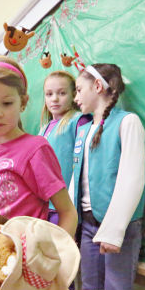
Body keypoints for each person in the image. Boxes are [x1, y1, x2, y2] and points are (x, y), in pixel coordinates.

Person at [0, 56, 77, 238]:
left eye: (7, 103)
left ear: (23, 102)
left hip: (25, 258)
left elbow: (67, 212)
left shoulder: (35, 149)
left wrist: (57, 254)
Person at [71, 64, 145, 290]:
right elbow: (77, 180)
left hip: (118, 226)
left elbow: (132, 178)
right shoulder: (83, 130)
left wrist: (114, 230)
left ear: (97, 86)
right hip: (89, 224)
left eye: (79, 89)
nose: (75, 98)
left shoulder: (127, 122)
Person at [39, 70, 87, 225]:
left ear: (73, 94)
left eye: (62, 93)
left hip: (66, 206)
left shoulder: (78, 120)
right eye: (49, 94)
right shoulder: (43, 129)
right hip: (45, 205)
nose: (55, 99)